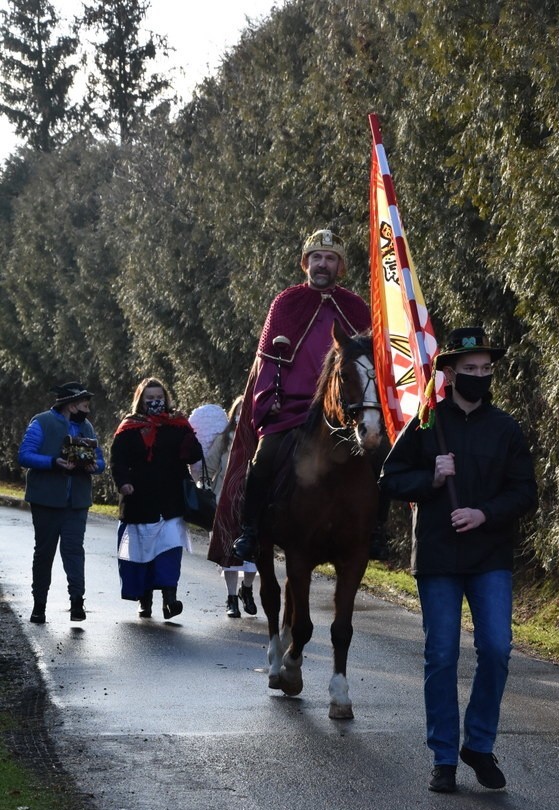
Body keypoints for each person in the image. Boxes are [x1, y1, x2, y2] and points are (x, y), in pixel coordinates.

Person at [380, 327, 537, 794]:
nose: (479, 376)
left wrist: (484, 512)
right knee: (442, 654)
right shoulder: (427, 424)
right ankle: (444, 757)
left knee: (495, 649)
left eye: (486, 370)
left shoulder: (506, 429)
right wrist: (430, 476)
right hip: (439, 557)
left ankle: (479, 745)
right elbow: (389, 479)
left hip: (490, 555)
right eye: (470, 370)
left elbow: (525, 493)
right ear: (447, 374)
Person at [230, 228, 372, 563]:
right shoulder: (285, 303)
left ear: (341, 267)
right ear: (305, 263)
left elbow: (368, 365)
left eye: (331, 258)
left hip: (341, 411)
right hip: (291, 408)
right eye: (317, 258)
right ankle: (250, 531)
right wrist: (268, 403)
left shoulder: (355, 307)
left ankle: (374, 531)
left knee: (375, 457)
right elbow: (265, 363)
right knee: (264, 460)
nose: (323, 264)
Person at [110, 377, 202, 620]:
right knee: (143, 553)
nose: (155, 402)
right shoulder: (129, 427)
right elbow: (117, 460)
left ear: (166, 398)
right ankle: (145, 599)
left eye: (158, 398)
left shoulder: (178, 424)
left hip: (171, 502)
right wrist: (123, 483)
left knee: (170, 550)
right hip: (139, 501)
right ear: (141, 400)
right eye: (150, 399)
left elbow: (193, 456)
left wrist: (191, 440)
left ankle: (170, 599)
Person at [19, 381, 105, 624]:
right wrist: (53, 462)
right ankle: (39, 606)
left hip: (77, 502)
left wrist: (93, 466)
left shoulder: (86, 426)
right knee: (44, 553)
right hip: (46, 500)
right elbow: (24, 455)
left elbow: (100, 461)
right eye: (84, 404)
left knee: (74, 551)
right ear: (71, 404)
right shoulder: (41, 422)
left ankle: (77, 602)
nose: (88, 409)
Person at [190, 396, 258, 618]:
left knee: (254, 551)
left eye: (245, 411)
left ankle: (246, 590)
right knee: (230, 551)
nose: (241, 415)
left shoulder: (260, 437)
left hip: (254, 501)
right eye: (238, 411)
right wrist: (198, 485)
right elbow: (208, 465)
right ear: (233, 414)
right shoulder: (225, 438)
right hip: (226, 501)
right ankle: (231, 598)